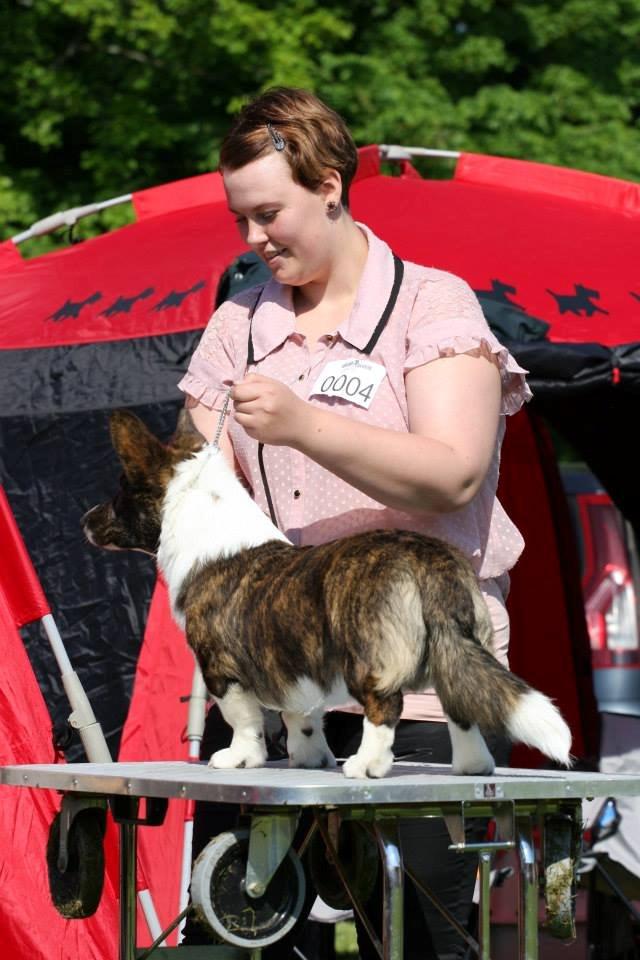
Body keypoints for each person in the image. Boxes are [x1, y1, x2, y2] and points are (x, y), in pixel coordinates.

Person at [177, 86, 531, 960]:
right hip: (277, 682)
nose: (253, 240)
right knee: (240, 933)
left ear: (330, 185)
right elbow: (194, 482)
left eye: (268, 213)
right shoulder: (237, 326)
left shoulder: (433, 307)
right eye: (239, 220)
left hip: (421, 686)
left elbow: (453, 471)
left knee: (419, 939)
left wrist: (305, 426)